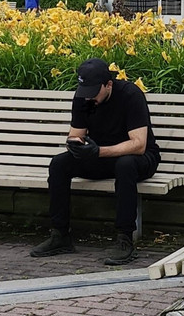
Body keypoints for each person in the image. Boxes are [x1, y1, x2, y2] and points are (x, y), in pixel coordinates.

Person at [31, 57, 160, 265]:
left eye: (93, 92)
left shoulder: (130, 95)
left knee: (125, 164)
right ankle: (60, 235)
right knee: (59, 164)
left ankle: (124, 239)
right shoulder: (83, 98)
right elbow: (75, 134)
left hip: (139, 158)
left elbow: (139, 145)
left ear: (108, 85)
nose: (89, 98)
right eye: (85, 92)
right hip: (100, 154)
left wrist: (98, 151)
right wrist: (76, 146)